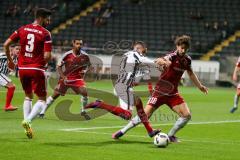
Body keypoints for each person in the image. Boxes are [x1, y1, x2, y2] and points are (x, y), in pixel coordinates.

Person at [112, 35, 208, 142]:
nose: (183, 50)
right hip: (159, 92)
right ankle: (122, 131)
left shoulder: (187, 60)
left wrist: (200, 86)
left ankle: (170, 136)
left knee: (187, 115)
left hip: (173, 94)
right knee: (144, 115)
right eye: (181, 47)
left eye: (185, 48)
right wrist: (162, 61)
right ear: (177, 46)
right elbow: (164, 59)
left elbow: (191, 73)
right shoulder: (172, 56)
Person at [85, 41, 165, 138]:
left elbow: (136, 79)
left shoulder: (127, 55)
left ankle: (150, 131)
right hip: (124, 87)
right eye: (144, 50)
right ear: (140, 49)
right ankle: (100, 104)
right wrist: (161, 62)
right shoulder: (136, 54)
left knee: (138, 103)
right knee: (127, 115)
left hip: (122, 85)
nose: (145, 52)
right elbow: (153, 62)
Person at [4, 8, 52, 139]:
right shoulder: (45, 33)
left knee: (28, 96)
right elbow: (47, 55)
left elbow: (6, 44)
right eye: (48, 18)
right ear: (41, 18)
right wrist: (45, 62)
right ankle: (28, 120)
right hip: (36, 68)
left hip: (22, 69)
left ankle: (27, 125)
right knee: (42, 99)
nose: (49, 21)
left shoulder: (22, 29)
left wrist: (10, 61)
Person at [39, 39, 91, 119]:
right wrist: (63, 77)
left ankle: (83, 111)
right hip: (66, 78)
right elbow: (58, 66)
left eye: (80, 44)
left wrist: (85, 70)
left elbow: (89, 65)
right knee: (55, 95)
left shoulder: (85, 55)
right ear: (73, 44)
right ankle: (42, 113)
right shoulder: (67, 55)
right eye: (77, 44)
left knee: (85, 93)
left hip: (77, 79)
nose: (79, 46)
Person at [0, 44, 20, 111]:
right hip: (0, 73)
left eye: (20, 49)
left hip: (3, 75)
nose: (18, 51)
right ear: (12, 49)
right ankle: (7, 106)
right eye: (17, 49)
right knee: (11, 86)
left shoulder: (17, 58)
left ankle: (7, 106)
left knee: (11, 87)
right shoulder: (5, 56)